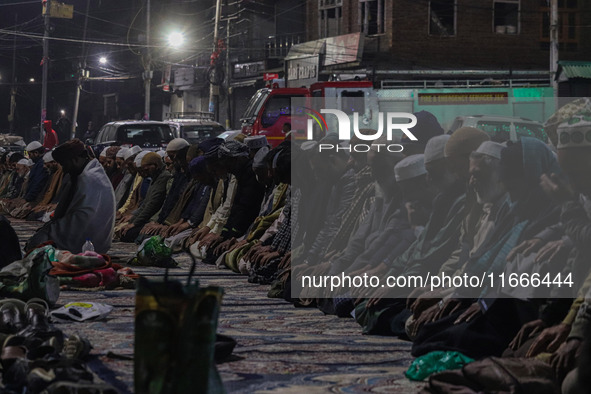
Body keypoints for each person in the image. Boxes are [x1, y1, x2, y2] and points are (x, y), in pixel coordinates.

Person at [26, 139, 116, 253]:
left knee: (39, 240)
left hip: (87, 238)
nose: (64, 169)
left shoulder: (88, 178)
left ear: (75, 159)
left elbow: (62, 212)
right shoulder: (90, 171)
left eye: (64, 164)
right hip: (98, 239)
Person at [119, 152, 172, 242]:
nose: (144, 173)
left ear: (155, 165)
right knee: (126, 232)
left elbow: (152, 204)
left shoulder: (164, 177)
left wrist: (135, 223)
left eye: (146, 170)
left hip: (156, 218)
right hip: (150, 218)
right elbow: (145, 203)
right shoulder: (154, 177)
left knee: (132, 234)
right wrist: (132, 222)